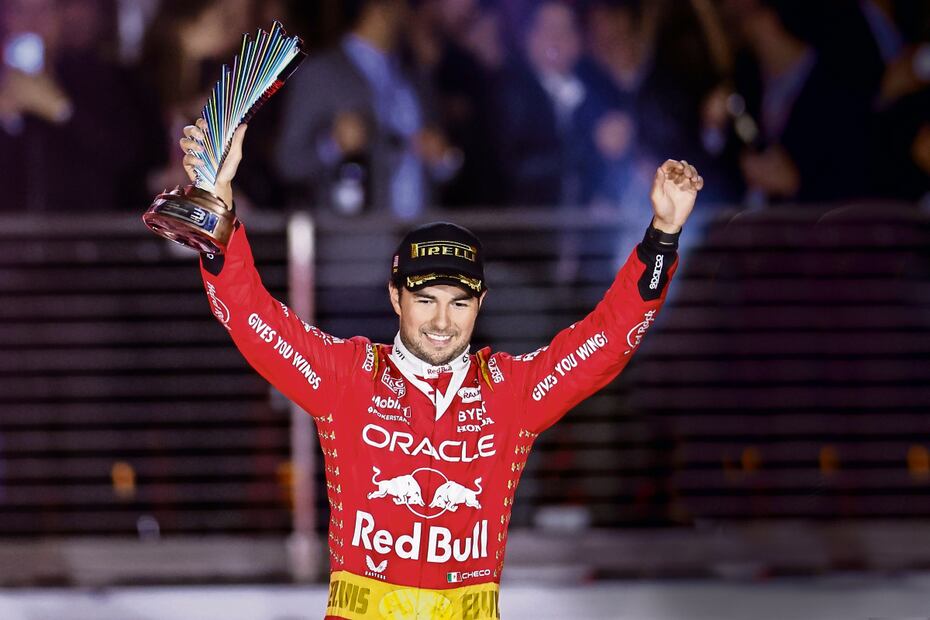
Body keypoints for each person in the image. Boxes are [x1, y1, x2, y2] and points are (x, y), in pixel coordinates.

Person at [178, 118, 702, 618]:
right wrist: (218, 204)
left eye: (459, 302)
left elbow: (605, 341)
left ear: (481, 304)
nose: (442, 322)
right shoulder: (349, 376)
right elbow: (251, 316)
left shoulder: (510, 391)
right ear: (395, 298)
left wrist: (662, 235)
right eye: (425, 300)